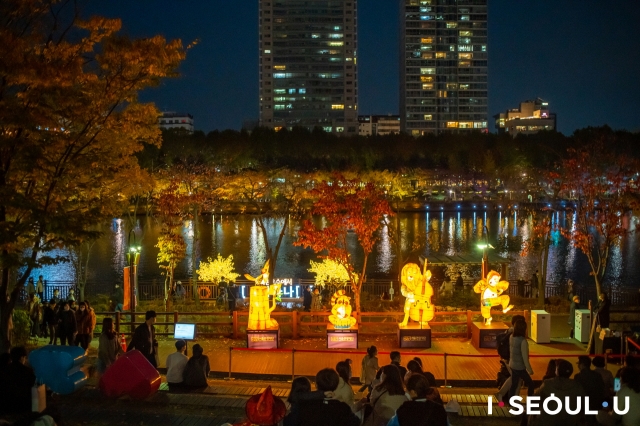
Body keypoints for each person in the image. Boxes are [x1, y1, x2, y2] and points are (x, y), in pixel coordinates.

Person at [285, 368, 360, 426]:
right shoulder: (342, 407)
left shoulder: (304, 406)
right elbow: (356, 422)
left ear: (316, 385)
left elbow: (288, 422)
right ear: (336, 385)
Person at [529, 359, 584, 426]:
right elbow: (584, 404)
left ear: (557, 371)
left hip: (548, 421)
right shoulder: (577, 386)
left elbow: (534, 399)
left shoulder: (548, 383)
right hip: (569, 421)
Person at [495, 314, 526, 403]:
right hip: (511, 360)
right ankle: (502, 394)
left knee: (518, 377)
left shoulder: (508, 331)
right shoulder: (516, 334)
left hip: (507, 359)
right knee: (517, 376)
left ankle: (514, 399)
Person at [0, 346, 36, 414]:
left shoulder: (4, 370)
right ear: (22, 357)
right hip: (23, 406)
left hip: (5, 405)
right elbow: (34, 388)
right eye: (25, 358)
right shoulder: (28, 371)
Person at [574, 355, 606, 424]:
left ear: (582, 365)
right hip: (596, 405)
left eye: (578, 364)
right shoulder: (598, 375)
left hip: (583, 407)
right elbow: (602, 390)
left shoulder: (578, 377)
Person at [508, 319, 534, 401]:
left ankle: (510, 402)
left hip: (512, 364)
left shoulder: (511, 337)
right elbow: (525, 358)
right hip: (519, 367)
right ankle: (531, 401)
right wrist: (530, 370)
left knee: (514, 384)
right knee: (531, 384)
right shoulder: (523, 341)